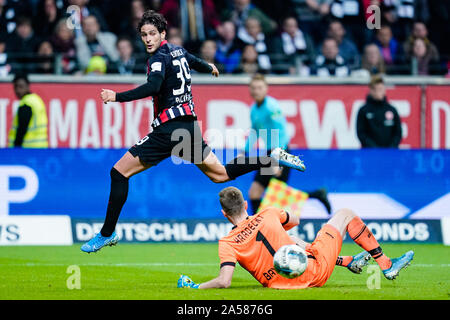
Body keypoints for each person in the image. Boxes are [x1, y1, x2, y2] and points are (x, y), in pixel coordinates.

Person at [80, 10, 305, 253]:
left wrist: (117, 97)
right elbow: (193, 59)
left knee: (118, 173)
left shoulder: (157, 58)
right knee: (220, 174)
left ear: (162, 33)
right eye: (144, 34)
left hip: (168, 129)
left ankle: (107, 232)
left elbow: (154, 85)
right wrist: (209, 67)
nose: (148, 39)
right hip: (188, 128)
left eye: (152, 34)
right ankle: (271, 158)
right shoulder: (177, 50)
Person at [177, 186, 414, 289]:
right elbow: (295, 221)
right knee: (345, 214)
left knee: (287, 239)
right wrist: (273, 224)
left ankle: (346, 261)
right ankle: (386, 264)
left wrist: (196, 287)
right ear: (246, 204)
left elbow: (224, 281)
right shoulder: (268, 213)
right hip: (313, 273)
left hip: (280, 285)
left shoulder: (227, 243)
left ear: (224, 214)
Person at [245, 73, 331, 215]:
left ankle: (316, 195)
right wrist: (246, 150)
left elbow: (281, 132)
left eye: (259, 87)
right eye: (253, 88)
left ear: (266, 89)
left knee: (278, 196)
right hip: (268, 153)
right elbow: (254, 130)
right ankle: (317, 194)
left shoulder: (272, 107)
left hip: (280, 152)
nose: (256, 91)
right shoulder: (254, 109)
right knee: (255, 193)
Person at [356, 75, 402, 148]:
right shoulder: (364, 110)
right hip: (370, 154)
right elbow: (361, 134)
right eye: (379, 89)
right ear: (371, 91)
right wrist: (374, 149)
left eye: (383, 89)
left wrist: (391, 148)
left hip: (390, 154)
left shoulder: (392, 110)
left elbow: (398, 133)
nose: (382, 92)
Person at [8, 73, 48, 148]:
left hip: (27, 150)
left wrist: (16, 148)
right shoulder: (37, 100)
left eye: (21, 87)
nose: (17, 90)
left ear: (27, 86)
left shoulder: (26, 104)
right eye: (15, 87)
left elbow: (22, 129)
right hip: (41, 148)